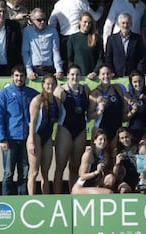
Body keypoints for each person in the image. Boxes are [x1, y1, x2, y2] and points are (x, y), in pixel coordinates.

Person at [0, 64, 39, 195]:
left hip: (26, 140)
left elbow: (46, 101)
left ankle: (22, 203)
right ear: (12, 77)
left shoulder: (31, 94)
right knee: (8, 173)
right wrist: (2, 139)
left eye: (22, 76)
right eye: (16, 75)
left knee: (24, 173)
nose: (19, 78)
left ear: (26, 77)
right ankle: (6, 202)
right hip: (10, 140)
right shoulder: (3, 94)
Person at [53, 64, 90, 193]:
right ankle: (57, 197)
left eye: (77, 74)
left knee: (75, 167)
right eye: (72, 74)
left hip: (80, 129)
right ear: (68, 76)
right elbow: (54, 112)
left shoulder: (85, 89)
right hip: (65, 129)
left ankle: (74, 195)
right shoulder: (60, 90)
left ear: (81, 76)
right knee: (60, 167)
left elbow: (90, 112)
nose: (75, 77)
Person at [48, 0, 104, 72]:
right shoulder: (81, 2)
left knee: (66, 66)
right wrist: (101, 7)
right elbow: (95, 17)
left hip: (64, 38)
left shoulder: (58, 4)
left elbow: (52, 23)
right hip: (79, 38)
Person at [27, 74, 60, 195]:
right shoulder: (37, 100)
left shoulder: (57, 100)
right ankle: (31, 200)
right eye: (48, 84)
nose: (50, 86)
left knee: (45, 173)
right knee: (34, 172)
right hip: (36, 136)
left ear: (56, 85)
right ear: (43, 85)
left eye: (52, 84)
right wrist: (31, 142)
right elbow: (32, 122)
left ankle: (45, 199)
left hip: (48, 138)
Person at [22, 8, 63, 80]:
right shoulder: (27, 31)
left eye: (44, 19)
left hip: (49, 69)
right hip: (34, 70)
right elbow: (25, 51)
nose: (42, 22)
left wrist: (59, 70)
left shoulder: (52, 31)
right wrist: (29, 71)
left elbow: (55, 51)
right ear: (32, 20)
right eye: (39, 20)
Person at [89, 64, 126, 140]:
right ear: (99, 76)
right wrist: (99, 112)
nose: (106, 76)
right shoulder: (95, 93)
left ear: (111, 75)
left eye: (108, 73)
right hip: (101, 130)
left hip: (117, 130)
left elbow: (124, 108)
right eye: (103, 74)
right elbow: (89, 116)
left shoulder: (118, 88)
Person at [71, 129, 115, 194]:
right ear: (94, 141)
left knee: (110, 178)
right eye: (100, 139)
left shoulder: (105, 155)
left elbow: (105, 173)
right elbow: (82, 176)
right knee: (108, 193)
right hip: (81, 186)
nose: (103, 142)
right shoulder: (88, 154)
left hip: (94, 184)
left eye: (105, 139)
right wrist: (96, 172)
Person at [105, 13, 146, 77]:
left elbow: (141, 58)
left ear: (131, 24)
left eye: (128, 23)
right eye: (123, 23)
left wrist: (139, 73)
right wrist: (111, 71)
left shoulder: (137, 39)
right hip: (115, 76)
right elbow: (108, 58)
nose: (125, 25)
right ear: (119, 24)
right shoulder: (111, 39)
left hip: (133, 77)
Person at [112, 127, 146, 193]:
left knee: (143, 188)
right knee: (124, 190)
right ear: (119, 140)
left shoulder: (140, 149)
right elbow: (115, 174)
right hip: (125, 180)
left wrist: (145, 174)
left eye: (126, 137)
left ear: (131, 136)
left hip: (140, 178)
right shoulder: (117, 152)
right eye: (122, 138)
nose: (125, 140)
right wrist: (117, 163)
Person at [67, 12, 104, 80]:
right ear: (80, 22)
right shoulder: (72, 38)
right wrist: (73, 72)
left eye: (89, 23)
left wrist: (95, 72)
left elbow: (100, 58)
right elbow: (69, 59)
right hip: (77, 77)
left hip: (93, 78)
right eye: (85, 22)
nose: (87, 24)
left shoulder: (97, 39)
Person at [124, 70, 146, 143]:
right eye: (135, 82)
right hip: (130, 132)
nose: (138, 84)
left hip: (144, 132)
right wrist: (132, 112)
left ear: (143, 81)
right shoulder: (127, 96)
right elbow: (124, 118)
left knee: (143, 150)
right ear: (131, 83)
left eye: (140, 81)